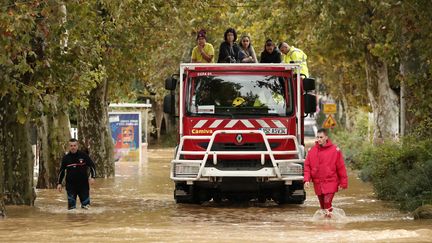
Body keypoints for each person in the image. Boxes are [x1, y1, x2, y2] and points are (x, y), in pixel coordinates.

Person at [304, 128, 348, 218]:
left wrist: (343, 183)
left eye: (321, 137)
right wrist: (306, 179)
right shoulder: (312, 151)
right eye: (317, 137)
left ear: (326, 137)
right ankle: (327, 224)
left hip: (331, 182)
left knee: (327, 203)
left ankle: (329, 227)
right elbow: (307, 166)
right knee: (323, 207)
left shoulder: (335, 150)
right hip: (318, 183)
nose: (319, 139)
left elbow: (341, 167)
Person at [57, 138, 96, 210]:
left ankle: (85, 221)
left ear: (77, 146)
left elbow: (92, 166)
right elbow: (62, 171)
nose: (73, 147)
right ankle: (73, 221)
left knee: (86, 208)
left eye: (74, 145)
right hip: (71, 186)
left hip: (83, 185)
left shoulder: (83, 155)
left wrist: (93, 177)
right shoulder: (66, 158)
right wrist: (59, 183)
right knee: (71, 210)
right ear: (69, 147)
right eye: (71, 146)